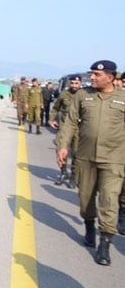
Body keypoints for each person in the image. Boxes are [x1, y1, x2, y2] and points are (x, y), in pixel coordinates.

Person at [56, 60, 125, 266]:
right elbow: (69, 121)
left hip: (114, 159)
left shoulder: (123, 97)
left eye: (97, 75)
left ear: (111, 78)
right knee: (85, 199)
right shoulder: (83, 95)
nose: (92, 78)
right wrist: (62, 145)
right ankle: (89, 227)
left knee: (109, 199)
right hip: (85, 157)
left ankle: (105, 244)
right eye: (92, 74)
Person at [49, 74, 82, 188]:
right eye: (72, 83)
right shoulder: (64, 94)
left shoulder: (84, 95)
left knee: (76, 154)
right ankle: (63, 173)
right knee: (60, 150)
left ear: (80, 84)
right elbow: (56, 108)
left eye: (76, 83)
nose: (74, 85)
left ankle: (73, 176)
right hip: (64, 128)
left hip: (79, 129)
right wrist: (51, 119)